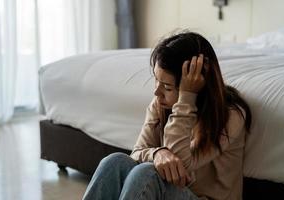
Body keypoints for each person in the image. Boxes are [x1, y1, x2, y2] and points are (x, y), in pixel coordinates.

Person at [82, 31, 252, 200]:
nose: (157, 92)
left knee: (147, 173)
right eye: (156, 80)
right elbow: (136, 153)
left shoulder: (230, 116)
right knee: (115, 162)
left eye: (167, 87)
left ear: (198, 83)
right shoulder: (161, 104)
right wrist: (157, 153)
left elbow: (181, 164)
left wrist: (186, 97)